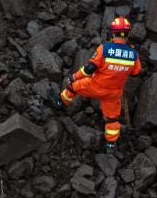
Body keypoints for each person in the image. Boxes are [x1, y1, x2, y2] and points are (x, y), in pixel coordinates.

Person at [52, 16, 141, 148]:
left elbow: (88, 69)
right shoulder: (133, 54)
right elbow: (136, 72)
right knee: (112, 119)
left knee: (73, 87)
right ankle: (111, 144)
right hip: (114, 94)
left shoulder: (104, 48)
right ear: (127, 34)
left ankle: (60, 102)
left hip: (94, 86)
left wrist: (74, 77)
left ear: (113, 32)